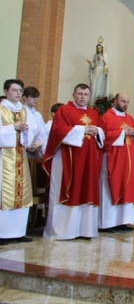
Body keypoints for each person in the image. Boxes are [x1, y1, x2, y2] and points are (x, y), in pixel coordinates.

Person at [42, 83, 104, 240]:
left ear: (89, 97)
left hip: (89, 160)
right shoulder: (64, 110)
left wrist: (98, 131)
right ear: (73, 95)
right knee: (68, 189)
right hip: (68, 159)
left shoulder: (94, 113)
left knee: (86, 189)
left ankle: (85, 230)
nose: (82, 97)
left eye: (85, 94)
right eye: (79, 94)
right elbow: (58, 131)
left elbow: (102, 133)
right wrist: (83, 130)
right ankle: (63, 231)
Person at [98, 93, 134, 233]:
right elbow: (104, 136)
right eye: (123, 101)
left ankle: (123, 221)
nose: (125, 104)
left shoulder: (130, 118)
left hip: (128, 162)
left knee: (127, 187)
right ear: (115, 101)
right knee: (111, 187)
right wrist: (122, 132)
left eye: (127, 102)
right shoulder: (106, 117)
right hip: (113, 160)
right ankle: (107, 223)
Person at [0, 79, 34, 245]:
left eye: (20, 90)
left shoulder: (23, 110)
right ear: (6, 91)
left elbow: (29, 136)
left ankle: (18, 232)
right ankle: (2, 233)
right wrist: (13, 128)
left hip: (20, 154)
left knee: (22, 192)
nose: (18, 93)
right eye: (14, 90)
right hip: (4, 157)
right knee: (4, 193)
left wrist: (26, 131)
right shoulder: (1, 109)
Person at [22, 86, 48, 159]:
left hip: (35, 149)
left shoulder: (37, 115)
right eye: (33, 97)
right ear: (24, 97)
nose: (35, 99)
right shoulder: (20, 112)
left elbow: (42, 132)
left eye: (37, 97)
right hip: (22, 148)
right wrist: (27, 145)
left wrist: (39, 143)